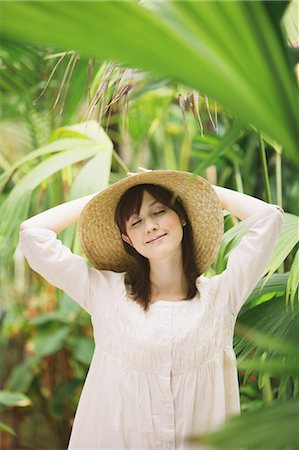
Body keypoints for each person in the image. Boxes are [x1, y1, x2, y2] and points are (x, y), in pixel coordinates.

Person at [19, 168, 284, 450]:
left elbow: (269, 218)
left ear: (182, 216)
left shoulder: (221, 297)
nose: (150, 226)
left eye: (159, 212)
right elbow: (33, 234)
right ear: (126, 239)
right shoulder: (106, 294)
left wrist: (198, 188)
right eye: (135, 222)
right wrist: (104, 197)